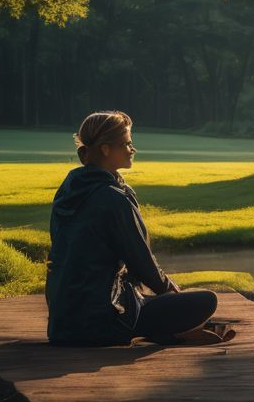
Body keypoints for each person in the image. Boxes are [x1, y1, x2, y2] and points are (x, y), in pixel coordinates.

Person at [46, 110, 234, 346]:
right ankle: (175, 330)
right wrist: (167, 288)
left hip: (63, 323)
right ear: (105, 149)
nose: (132, 150)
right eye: (126, 144)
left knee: (153, 302)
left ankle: (173, 330)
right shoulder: (113, 199)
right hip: (103, 320)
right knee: (206, 301)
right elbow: (140, 260)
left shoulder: (67, 192)